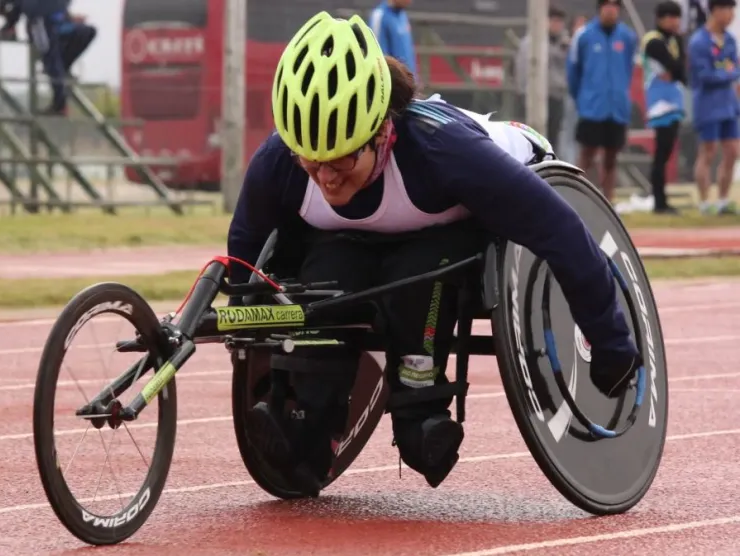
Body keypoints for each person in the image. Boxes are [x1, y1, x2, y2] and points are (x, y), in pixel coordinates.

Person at [229, 11, 642, 495]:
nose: (325, 175)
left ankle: (420, 413)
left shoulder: (444, 150)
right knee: (326, 279)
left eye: (340, 157)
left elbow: (564, 233)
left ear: (381, 133)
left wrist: (612, 343)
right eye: (310, 159)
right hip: (352, 242)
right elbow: (244, 269)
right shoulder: (278, 162)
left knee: (418, 271)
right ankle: (308, 417)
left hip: (461, 222)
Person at [566, 0, 638, 203]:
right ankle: (576, 199)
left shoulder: (627, 37)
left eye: (615, 6)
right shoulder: (585, 36)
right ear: (599, 9)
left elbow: (629, 69)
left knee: (611, 157)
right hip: (591, 106)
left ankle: (608, 201)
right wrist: (582, 98)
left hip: (616, 107)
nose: (611, 10)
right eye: (607, 5)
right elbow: (573, 72)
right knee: (586, 155)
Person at [687, 0, 739, 215]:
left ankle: (723, 200)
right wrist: (729, 73)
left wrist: (729, 73)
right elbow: (705, 76)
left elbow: (734, 66)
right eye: (728, 11)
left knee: (733, 152)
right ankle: (705, 202)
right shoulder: (699, 42)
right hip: (708, 104)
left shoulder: (729, 40)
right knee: (708, 153)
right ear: (716, 11)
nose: (731, 16)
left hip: (729, 104)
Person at [640, 1, 688, 214]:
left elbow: (682, 72)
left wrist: (677, 70)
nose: (674, 21)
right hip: (659, 102)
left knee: (668, 151)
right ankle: (659, 200)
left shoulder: (675, 39)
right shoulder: (653, 41)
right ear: (660, 18)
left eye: (677, 17)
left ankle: (662, 197)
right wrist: (676, 70)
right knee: (661, 152)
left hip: (674, 100)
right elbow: (674, 66)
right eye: (670, 17)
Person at [514, 6, 570, 148]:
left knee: (554, 138)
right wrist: (524, 93)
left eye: (559, 22)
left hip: (557, 96)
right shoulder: (531, 43)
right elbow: (521, 69)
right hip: (534, 97)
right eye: (554, 21)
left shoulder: (566, 44)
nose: (556, 25)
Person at [369, 0, 417, 74]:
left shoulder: (402, 15)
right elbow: (377, 54)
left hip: (408, 79)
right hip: (393, 80)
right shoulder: (380, 16)